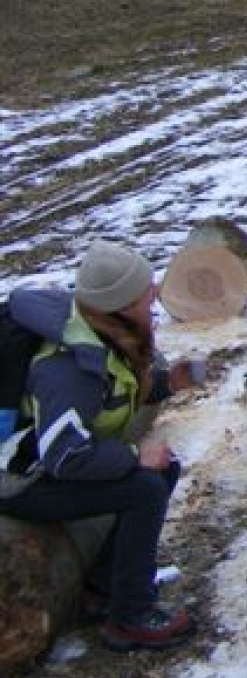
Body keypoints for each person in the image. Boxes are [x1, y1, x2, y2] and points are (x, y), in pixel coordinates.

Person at [0, 243, 202, 651]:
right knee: (143, 488)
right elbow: (65, 455)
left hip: (41, 464)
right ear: (123, 303)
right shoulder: (69, 368)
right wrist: (132, 457)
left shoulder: (105, 334)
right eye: (147, 290)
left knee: (160, 471)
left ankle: (104, 585)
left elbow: (107, 400)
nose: (156, 293)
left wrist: (166, 384)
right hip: (18, 481)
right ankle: (130, 616)